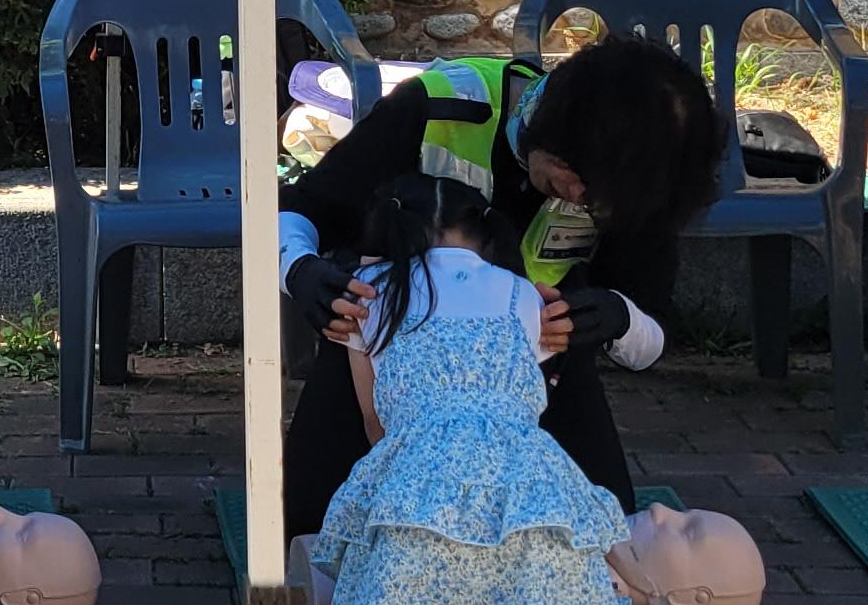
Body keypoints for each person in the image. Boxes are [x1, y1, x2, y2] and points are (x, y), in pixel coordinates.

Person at [309, 174, 663, 605]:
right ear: (485, 232)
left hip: (418, 481)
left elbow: (374, 421)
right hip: (528, 485)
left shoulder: (370, 295)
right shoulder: (521, 293)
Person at [276, 40, 724, 532]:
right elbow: (300, 209)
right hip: (386, 353)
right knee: (311, 523)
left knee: (604, 526)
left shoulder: (639, 186)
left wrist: (617, 316)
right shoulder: (436, 108)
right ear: (552, 126)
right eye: (577, 176)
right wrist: (300, 271)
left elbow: (652, 333)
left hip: (533, 367)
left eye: (601, 198)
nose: (579, 197)